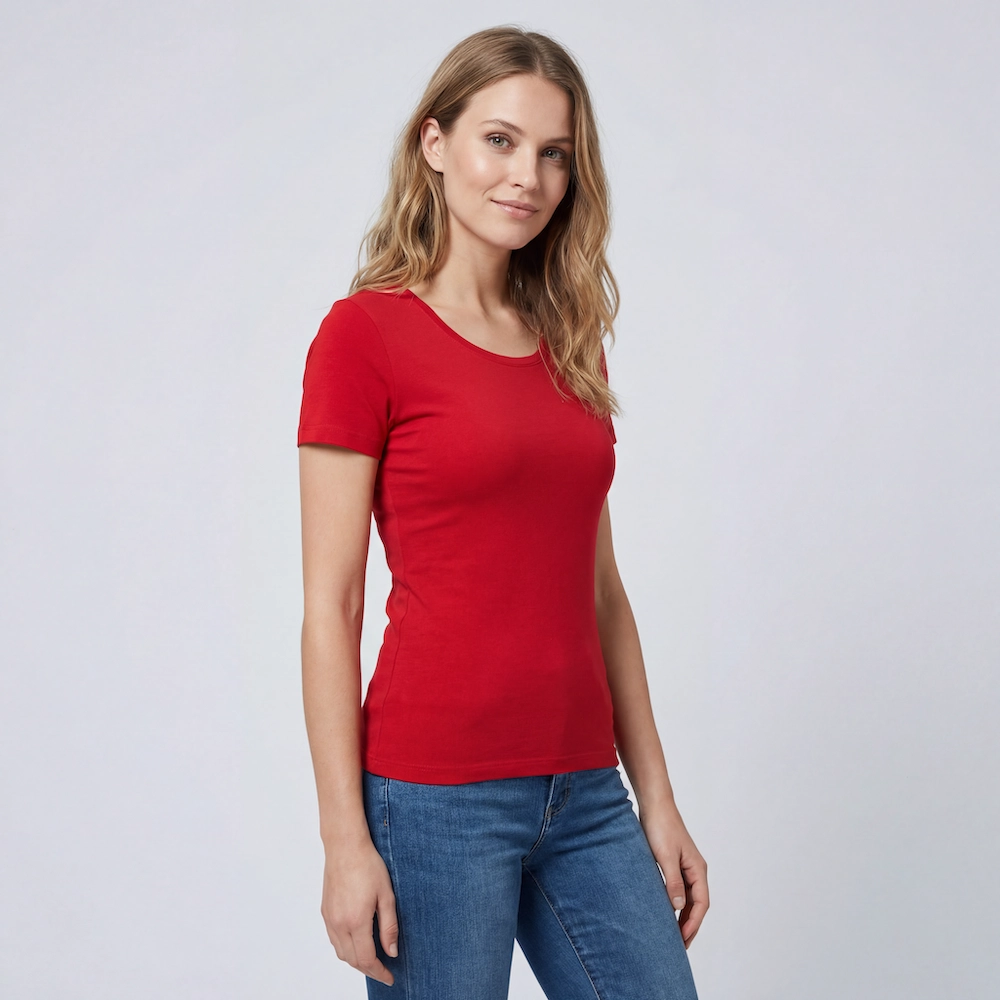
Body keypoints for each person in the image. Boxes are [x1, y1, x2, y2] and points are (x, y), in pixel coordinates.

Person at [297, 25, 709, 999]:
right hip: (434, 797)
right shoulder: (363, 337)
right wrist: (344, 840)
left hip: (586, 790)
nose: (528, 175)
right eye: (500, 140)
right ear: (434, 143)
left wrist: (656, 797)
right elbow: (331, 607)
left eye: (554, 153)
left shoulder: (570, 344)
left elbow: (600, 594)